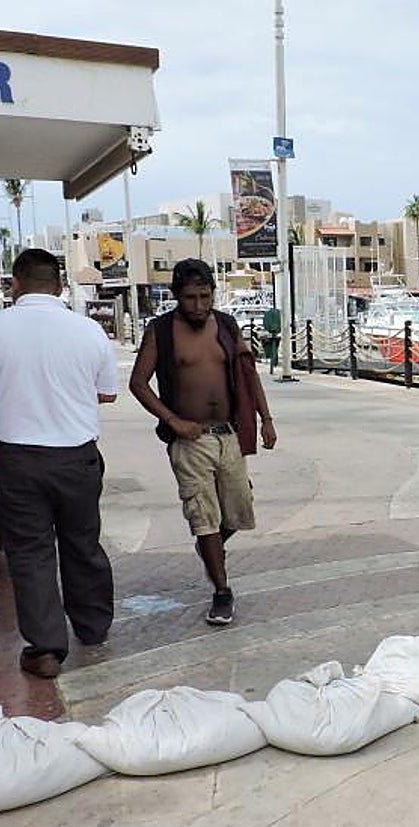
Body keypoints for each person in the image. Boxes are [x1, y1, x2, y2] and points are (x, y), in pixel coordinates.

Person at [0, 248, 118, 680]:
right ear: (59, 284)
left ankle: (45, 649)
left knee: (30, 554)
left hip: (18, 462)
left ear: (16, 283)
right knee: (83, 543)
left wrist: (1, 392)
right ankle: (93, 628)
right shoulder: (88, 331)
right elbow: (107, 393)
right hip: (77, 459)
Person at [129, 258, 275, 625]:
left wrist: (265, 418)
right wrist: (173, 420)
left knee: (239, 510)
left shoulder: (225, 324)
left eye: (205, 296)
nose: (198, 305)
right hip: (190, 440)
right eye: (190, 297)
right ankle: (222, 590)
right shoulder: (161, 331)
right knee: (204, 515)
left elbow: (247, 373)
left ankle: (209, 546)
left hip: (228, 432)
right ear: (177, 295)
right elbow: (138, 383)